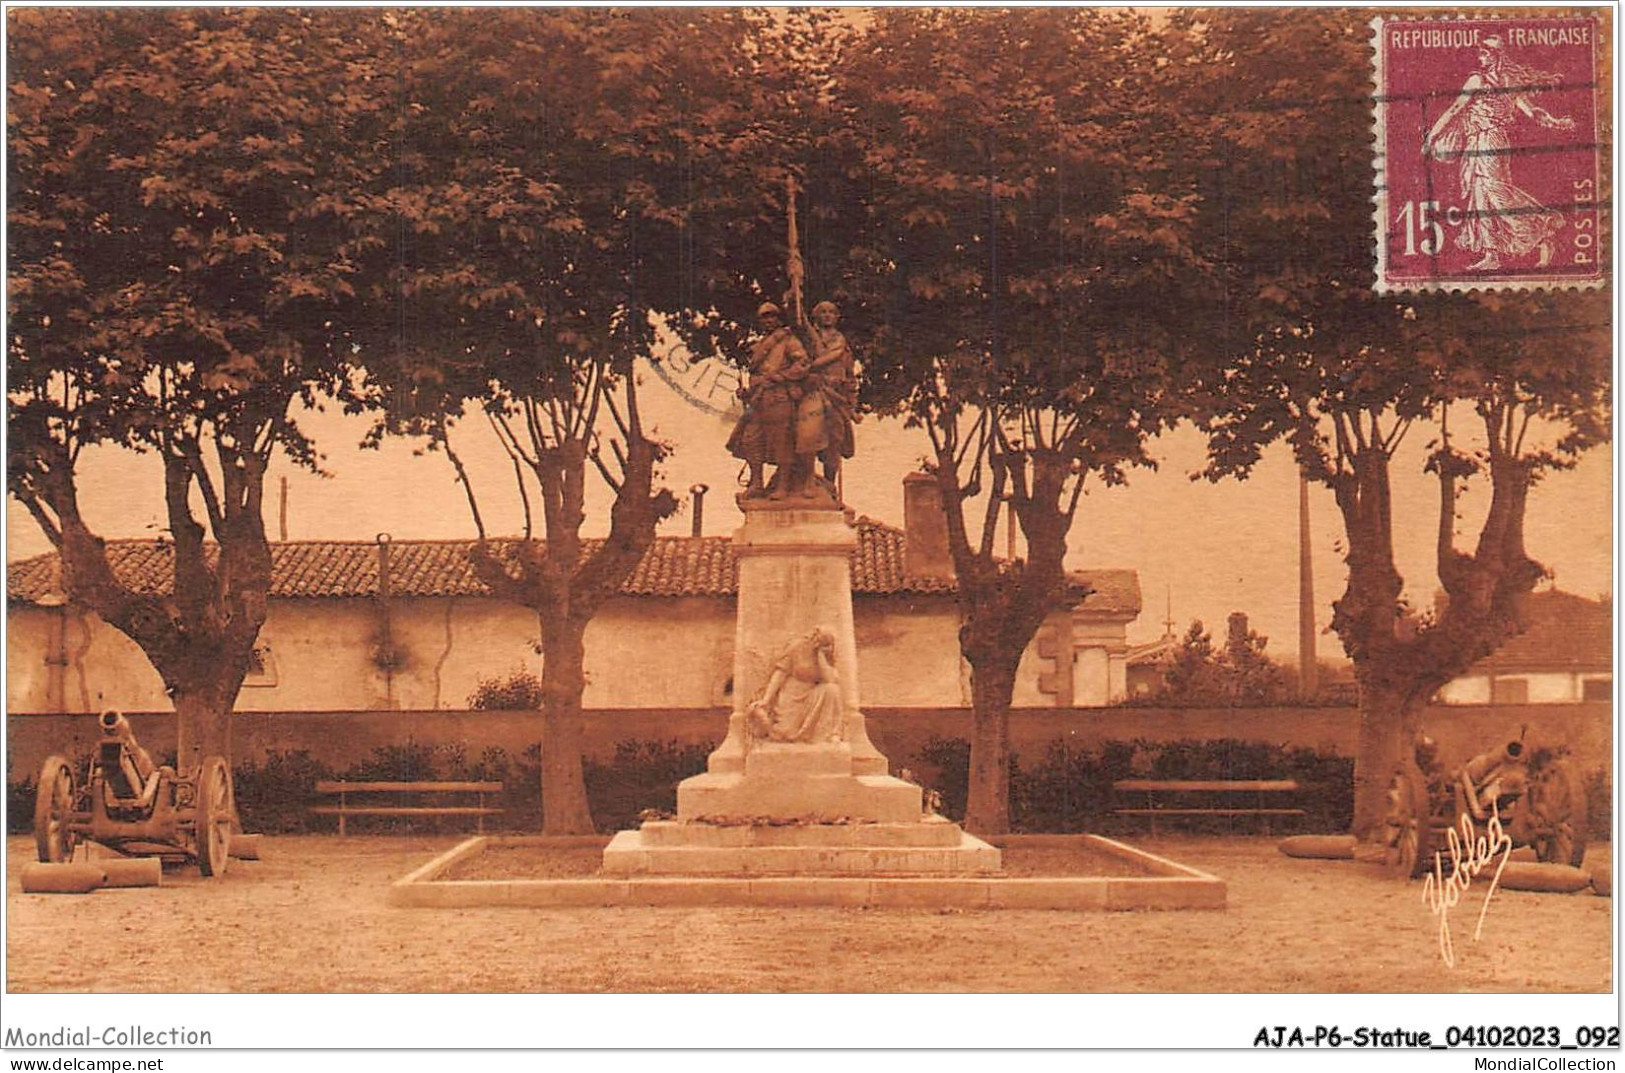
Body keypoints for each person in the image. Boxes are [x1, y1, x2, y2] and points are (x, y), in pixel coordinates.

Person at [1423, 35, 1576, 271]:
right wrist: (1555, 122)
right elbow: (1531, 111)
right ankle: (1492, 254)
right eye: (1480, 53)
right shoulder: (1505, 79)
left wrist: (1431, 136)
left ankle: (1543, 229)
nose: (1481, 58)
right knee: (1482, 196)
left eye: (1486, 54)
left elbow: (1455, 109)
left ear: (1497, 56)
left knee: (1496, 193)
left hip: (1488, 142)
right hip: (1485, 142)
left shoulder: (1479, 80)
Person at [725, 302, 822, 499]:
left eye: (772, 317)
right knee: (751, 439)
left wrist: (781, 377)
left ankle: (783, 486)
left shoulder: (788, 341)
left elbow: (803, 364)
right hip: (758, 398)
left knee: (781, 441)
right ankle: (757, 483)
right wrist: (747, 392)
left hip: (780, 396)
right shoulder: (760, 345)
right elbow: (757, 373)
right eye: (764, 317)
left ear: (778, 319)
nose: (768, 321)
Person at [746, 628, 845, 744]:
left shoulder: (827, 655)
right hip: (792, 696)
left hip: (813, 694)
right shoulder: (797, 648)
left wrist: (821, 655)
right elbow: (780, 674)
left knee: (832, 690)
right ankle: (764, 725)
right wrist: (766, 700)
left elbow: (830, 679)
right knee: (785, 732)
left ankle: (832, 734)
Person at [804, 300, 857, 490]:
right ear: (816, 316)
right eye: (823, 312)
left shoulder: (842, 343)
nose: (827, 315)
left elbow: (850, 374)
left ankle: (829, 484)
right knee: (807, 435)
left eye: (831, 312)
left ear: (837, 317)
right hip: (812, 391)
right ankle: (806, 481)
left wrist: (852, 401)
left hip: (836, 396)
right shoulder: (809, 339)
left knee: (834, 440)